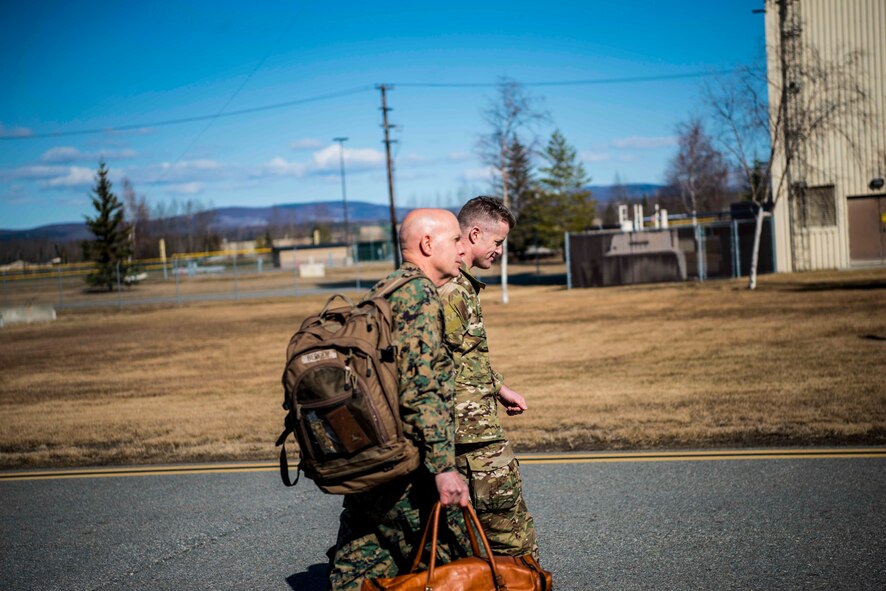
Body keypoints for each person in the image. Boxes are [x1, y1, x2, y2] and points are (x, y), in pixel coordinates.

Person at [328, 208, 471, 591]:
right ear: (427, 244)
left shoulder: (383, 290)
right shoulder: (419, 295)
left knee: (360, 571)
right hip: (406, 467)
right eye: (456, 239)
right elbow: (421, 390)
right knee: (454, 567)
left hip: (369, 456)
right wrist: (444, 468)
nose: (462, 249)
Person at [438, 196, 539, 561]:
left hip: (471, 431)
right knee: (510, 539)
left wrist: (498, 388)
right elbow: (431, 362)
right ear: (475, 234)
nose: (499, 251)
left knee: (466, 544)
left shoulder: (461, 286)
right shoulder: (452, 291)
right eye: (497, 243)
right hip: (470, 439)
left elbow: (466, 356)